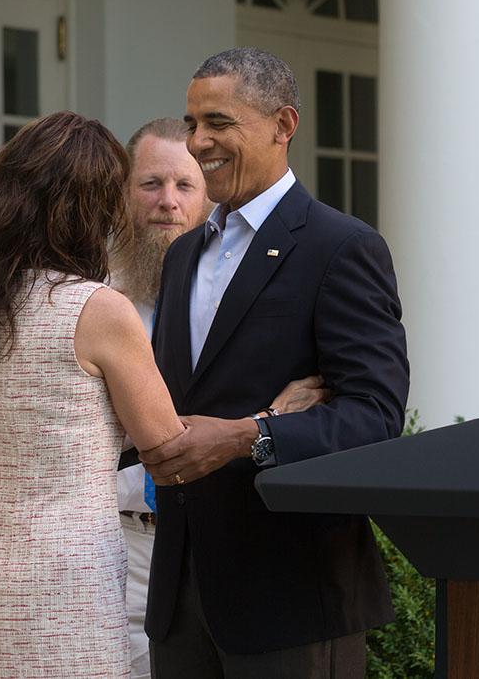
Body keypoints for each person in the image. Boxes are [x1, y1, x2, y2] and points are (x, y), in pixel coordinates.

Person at [139, 48, 410, 677]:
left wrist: (249, 436)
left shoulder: (342, 247)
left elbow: (375, 417)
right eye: (191, 124)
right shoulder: (181, 258)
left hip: (293, 596)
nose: (198, 142)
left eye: (219, 123)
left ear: (283, 125)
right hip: (180, 600)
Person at [0, 111, 189, 679]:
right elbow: (168, 447)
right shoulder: (98, 307)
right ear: (91, 207)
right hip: (68, 572)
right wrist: (275, 416)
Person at [111, 117, 331, 679]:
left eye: (184, 186)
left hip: (228, 552)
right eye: (151, 184)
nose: (168, 202)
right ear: (123, 195)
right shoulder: (95, 300)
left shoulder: (251, 287)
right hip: (118, 548)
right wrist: (266, 420)